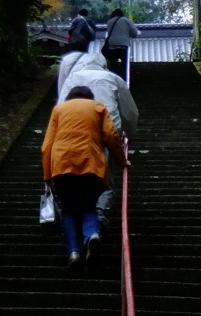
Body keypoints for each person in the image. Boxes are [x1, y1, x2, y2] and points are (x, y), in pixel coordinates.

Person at [41, 85, 128, 273]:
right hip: (90, 164)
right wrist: (122, 161)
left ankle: (74, 253)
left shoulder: (59, 109)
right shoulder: (98, 107)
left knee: (69, 210)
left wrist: (47, 176)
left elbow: (47, 145)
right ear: (90, 97)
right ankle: (92, 234)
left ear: (70, 97)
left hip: (62, 165)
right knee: (88, 206)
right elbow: (111, 136)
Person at [57, 44, 139, 232]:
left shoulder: (73, 78)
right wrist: (129, 134)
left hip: (74, 133)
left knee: (77, 173)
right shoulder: (113, 78)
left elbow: (61, 106)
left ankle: (78, 216)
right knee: (105, 175)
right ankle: (100, 213)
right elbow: (130, 113)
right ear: (104, 65)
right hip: (108, 130)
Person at [104, 8, 140, 81]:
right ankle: (124, 80)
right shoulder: (126, 20)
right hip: (123, 46)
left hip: (111, 46)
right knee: (124, 66)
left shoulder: (109, 22)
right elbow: (134, 33)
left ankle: (114, 80)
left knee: (114, 66)